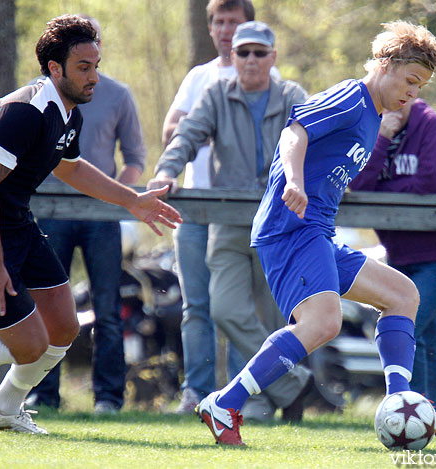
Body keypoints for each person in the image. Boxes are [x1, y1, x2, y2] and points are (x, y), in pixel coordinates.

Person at [0, 14, 181, 434]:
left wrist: (132, 200)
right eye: (85, 67)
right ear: (54, 68)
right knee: (25, 347)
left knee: (63, 327)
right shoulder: (23, 112)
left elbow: (72, 168)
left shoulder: (69, 113)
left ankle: (3, 409)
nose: (94, 76)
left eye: (96, 65)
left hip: (17, 226)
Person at [195, 20, 436, 446]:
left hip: (317, 230)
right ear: (385, 64)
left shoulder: (375, 117)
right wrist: (294, 183)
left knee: (403, 296)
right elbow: (293, 133)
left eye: (421, 86)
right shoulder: (353, 97)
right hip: (291, 228)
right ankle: (225, 403)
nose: (413, 92)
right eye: (410, 80)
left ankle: (401, 405)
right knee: (322, 324)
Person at [149, 20, 313, 423]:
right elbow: (187, 135)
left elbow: (317, 143)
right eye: (244, 52)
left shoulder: (293, 95)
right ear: (232, 57)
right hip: (230, 222)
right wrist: (168, 170)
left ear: (273, 58)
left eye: (260, 53)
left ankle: (259, 403)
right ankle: (294, 385)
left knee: (274, 318)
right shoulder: (215, 94)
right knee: (224, 309)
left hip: (281, 224)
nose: (252, 60)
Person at [26, 15, 147, 415]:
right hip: (51, 211)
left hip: (101, 217)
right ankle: (42, 394)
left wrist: (122, 198)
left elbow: (134, 159)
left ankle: (109, 398)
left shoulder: (117, 94)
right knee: (46, 305)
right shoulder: (38, 97)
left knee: (109, 309)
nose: (90, 71)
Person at [160, 0, 265, 417]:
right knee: (197, 306)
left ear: (249, 29)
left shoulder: (268, 80)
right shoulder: (199, 77)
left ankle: (243, 395)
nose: (225, 30)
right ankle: (195, 393)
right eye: (218, 22)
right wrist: (201, 128)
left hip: (244, 210)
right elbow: (171, 130)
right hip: (195, 205)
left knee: (243, 309)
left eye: (234, 23)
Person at [349, 97, 436, 413]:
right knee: (425, 337)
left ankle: (413, 412)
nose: (396, 103)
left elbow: (432, 183)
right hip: (398, 253)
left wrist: (381, 193)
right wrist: (382, 138)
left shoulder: (431, 126)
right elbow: (358, 185)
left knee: (407, 324)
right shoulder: (371, 128)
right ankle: (430, 414)